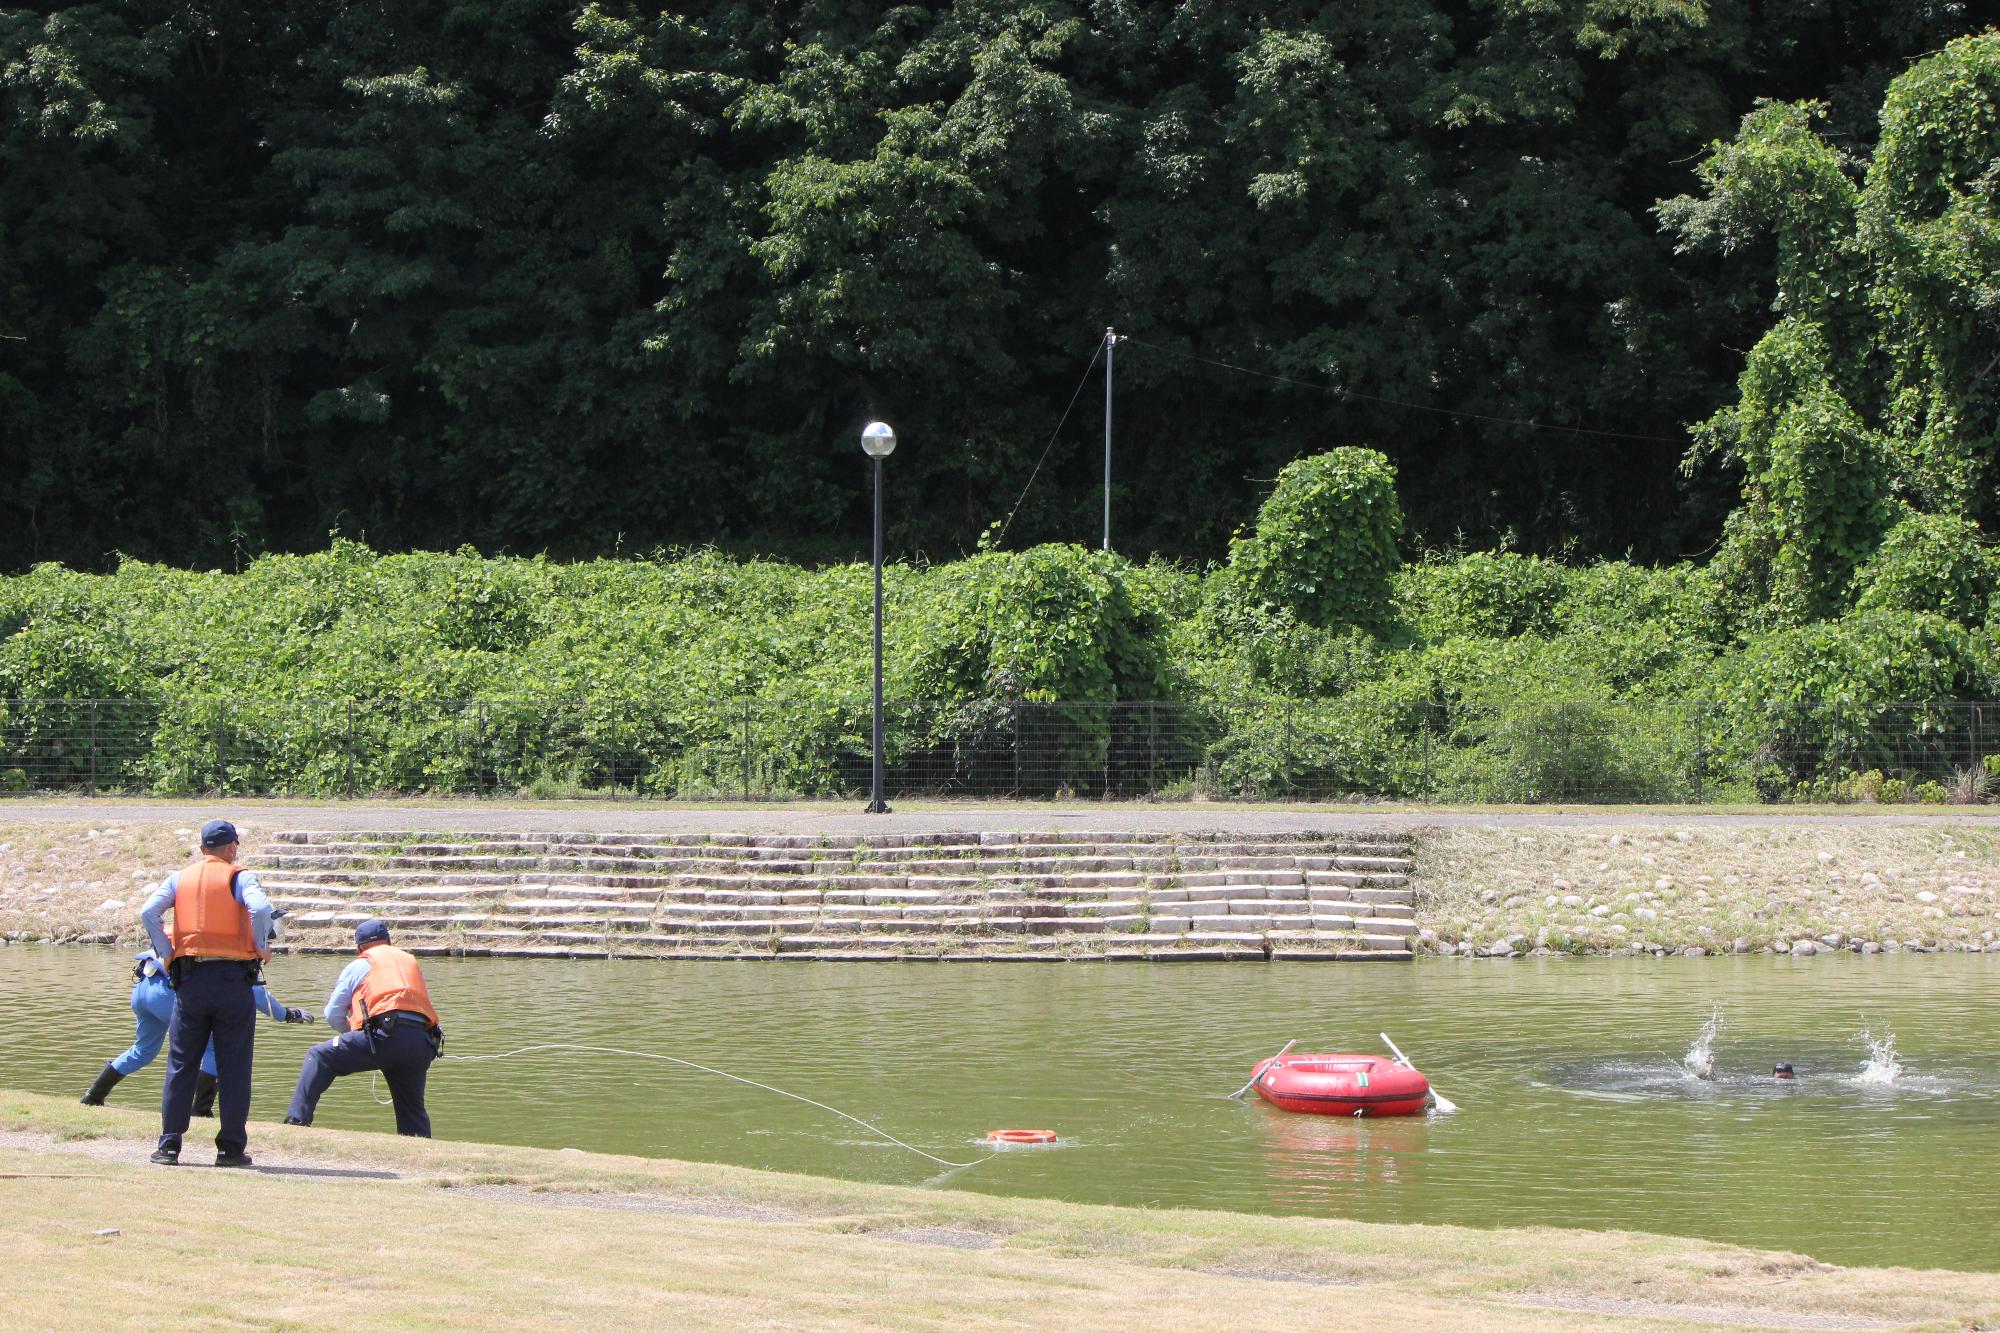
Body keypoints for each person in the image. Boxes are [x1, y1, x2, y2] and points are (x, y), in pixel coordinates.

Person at [138, 818, 273, 1167]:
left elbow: (148, 911)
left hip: (190, 982)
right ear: (232, 848)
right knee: (235, 1067)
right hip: (232, 981)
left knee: (182, 1063)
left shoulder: (179, 878)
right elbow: (260, 909)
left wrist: (165, 951)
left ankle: (169, 1146)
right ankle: (230, 1149)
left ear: (202, 850)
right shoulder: (240, 876)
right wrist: (260, 945)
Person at [80, 948, 310, 1109]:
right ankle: (201, 1109)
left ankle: (93, 1096)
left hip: (143, 988)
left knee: (143, 1050)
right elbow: (256, 992)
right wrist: (287, 1015)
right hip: (165, 994)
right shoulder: (235, 945)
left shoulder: (194, 929)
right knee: (212, 1046)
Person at [284, 920, 442, 1137]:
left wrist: (352, 1033)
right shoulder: (410, 963)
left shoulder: (361, 964)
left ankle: (296, 1122)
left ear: (359, 947)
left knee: (319, 1056)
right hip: (422, 1043)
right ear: (389, 941)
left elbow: (332, 1013)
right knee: (411, 1109)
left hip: (385, 1037)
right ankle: (420, 1148)